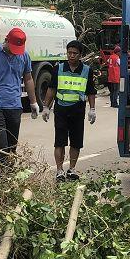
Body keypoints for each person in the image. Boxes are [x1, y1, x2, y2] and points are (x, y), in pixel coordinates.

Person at [0, 27, 39, 164]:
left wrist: (33, 102)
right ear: (6, 40)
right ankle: (3, 174)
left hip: (15, 105)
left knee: (11, 147)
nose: (14, 51)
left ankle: (9, 174)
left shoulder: (24, 55)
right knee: (0, 145)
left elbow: (28, 79)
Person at [42, 40, 97, 181]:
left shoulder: (87, 70)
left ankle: (72, 169)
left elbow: (91, 91)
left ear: (80, 55)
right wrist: (46, 107)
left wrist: (92, 109)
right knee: (59, 141)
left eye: (75, 53)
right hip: (61, 110)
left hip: (78, 110)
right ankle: (59, 170)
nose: (72, 56)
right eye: (69, 53)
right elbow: (52, 89)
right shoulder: (58, 68)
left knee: (76, 142)